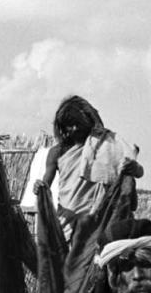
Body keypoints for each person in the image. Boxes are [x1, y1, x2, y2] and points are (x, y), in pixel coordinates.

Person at [33, 96, 144, 239]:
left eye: (77, 124)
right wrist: (39, 187)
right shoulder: (56, 152)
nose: (74, 128)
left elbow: (139, 172)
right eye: (69, 125)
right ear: (62, 126)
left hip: (102, 223)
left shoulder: (106, 145)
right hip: (69, 223)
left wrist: (133, 167)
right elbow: (45, 185)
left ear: (88, 122)